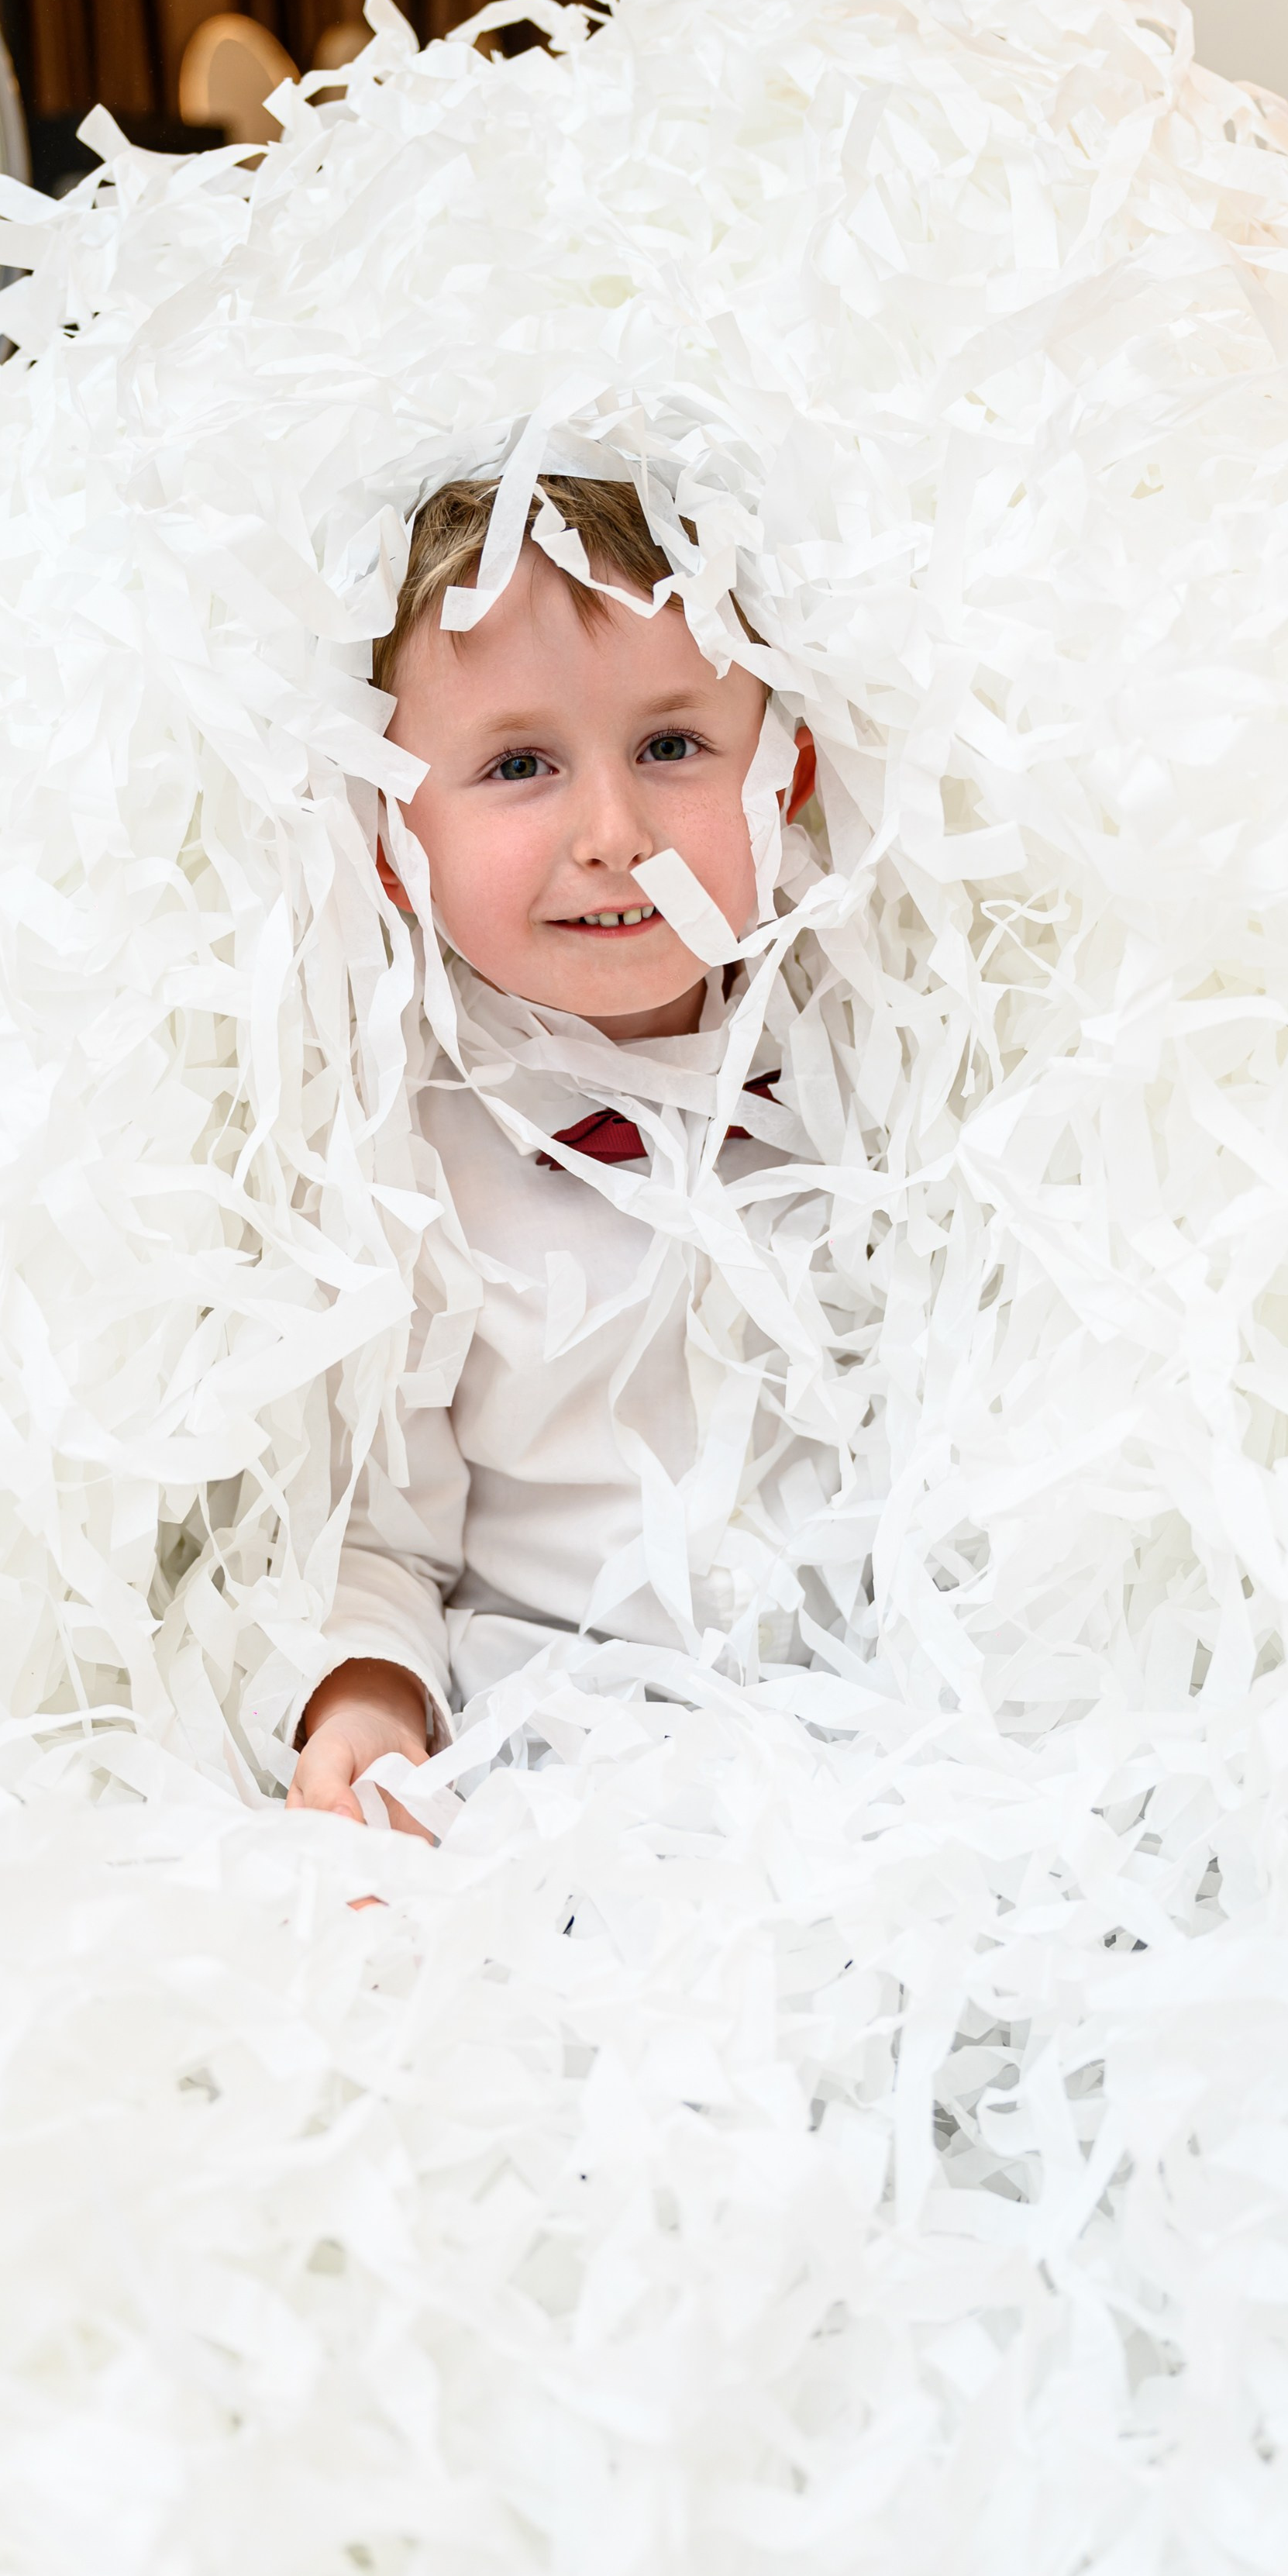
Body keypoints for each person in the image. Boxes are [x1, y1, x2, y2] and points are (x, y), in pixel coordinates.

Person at [286, 474, 818, 1832]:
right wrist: (367, 1695)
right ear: (397, 838)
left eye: (672, 747)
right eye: (519, 766)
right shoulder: (404, 1150)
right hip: (558, 1747)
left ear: (785, 768)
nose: (613, 838)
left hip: (884, 1721)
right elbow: (380, 1535)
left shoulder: (869, 1064)